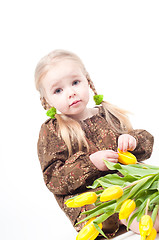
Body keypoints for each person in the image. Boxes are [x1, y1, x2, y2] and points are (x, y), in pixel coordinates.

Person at [35, 49, 155, 238]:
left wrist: (133, 141)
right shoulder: (53, 131)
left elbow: (146, 143)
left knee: (148, 198)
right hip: (93, 202)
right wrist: (90, 164)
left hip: (130, 186)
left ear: (88, 81)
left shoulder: (106, 114)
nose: (71, 93)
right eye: (58, 90)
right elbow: (53, 179)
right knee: (123, 207)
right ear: (46, 100)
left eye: (75, 82)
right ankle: (145, 223)